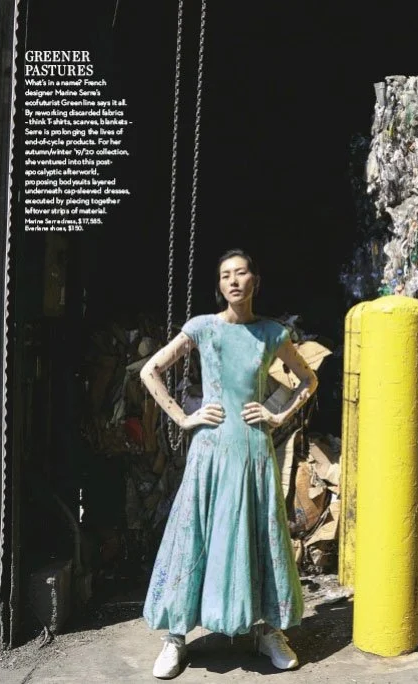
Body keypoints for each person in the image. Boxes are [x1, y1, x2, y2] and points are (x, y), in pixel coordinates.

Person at [140, 248, 318, 679]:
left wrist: (278, 415)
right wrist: (185, 417)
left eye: (241, 273)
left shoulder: (272, 333)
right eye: (225, 275)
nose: (234, 281)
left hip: (254, 449)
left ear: (255, 280)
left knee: (261, 536)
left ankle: (268, 632)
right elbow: (150, 370)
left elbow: (309, 379)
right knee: (195, 535)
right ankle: (175, 638)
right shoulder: (202, 327)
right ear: (219, 285)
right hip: (211, 450)